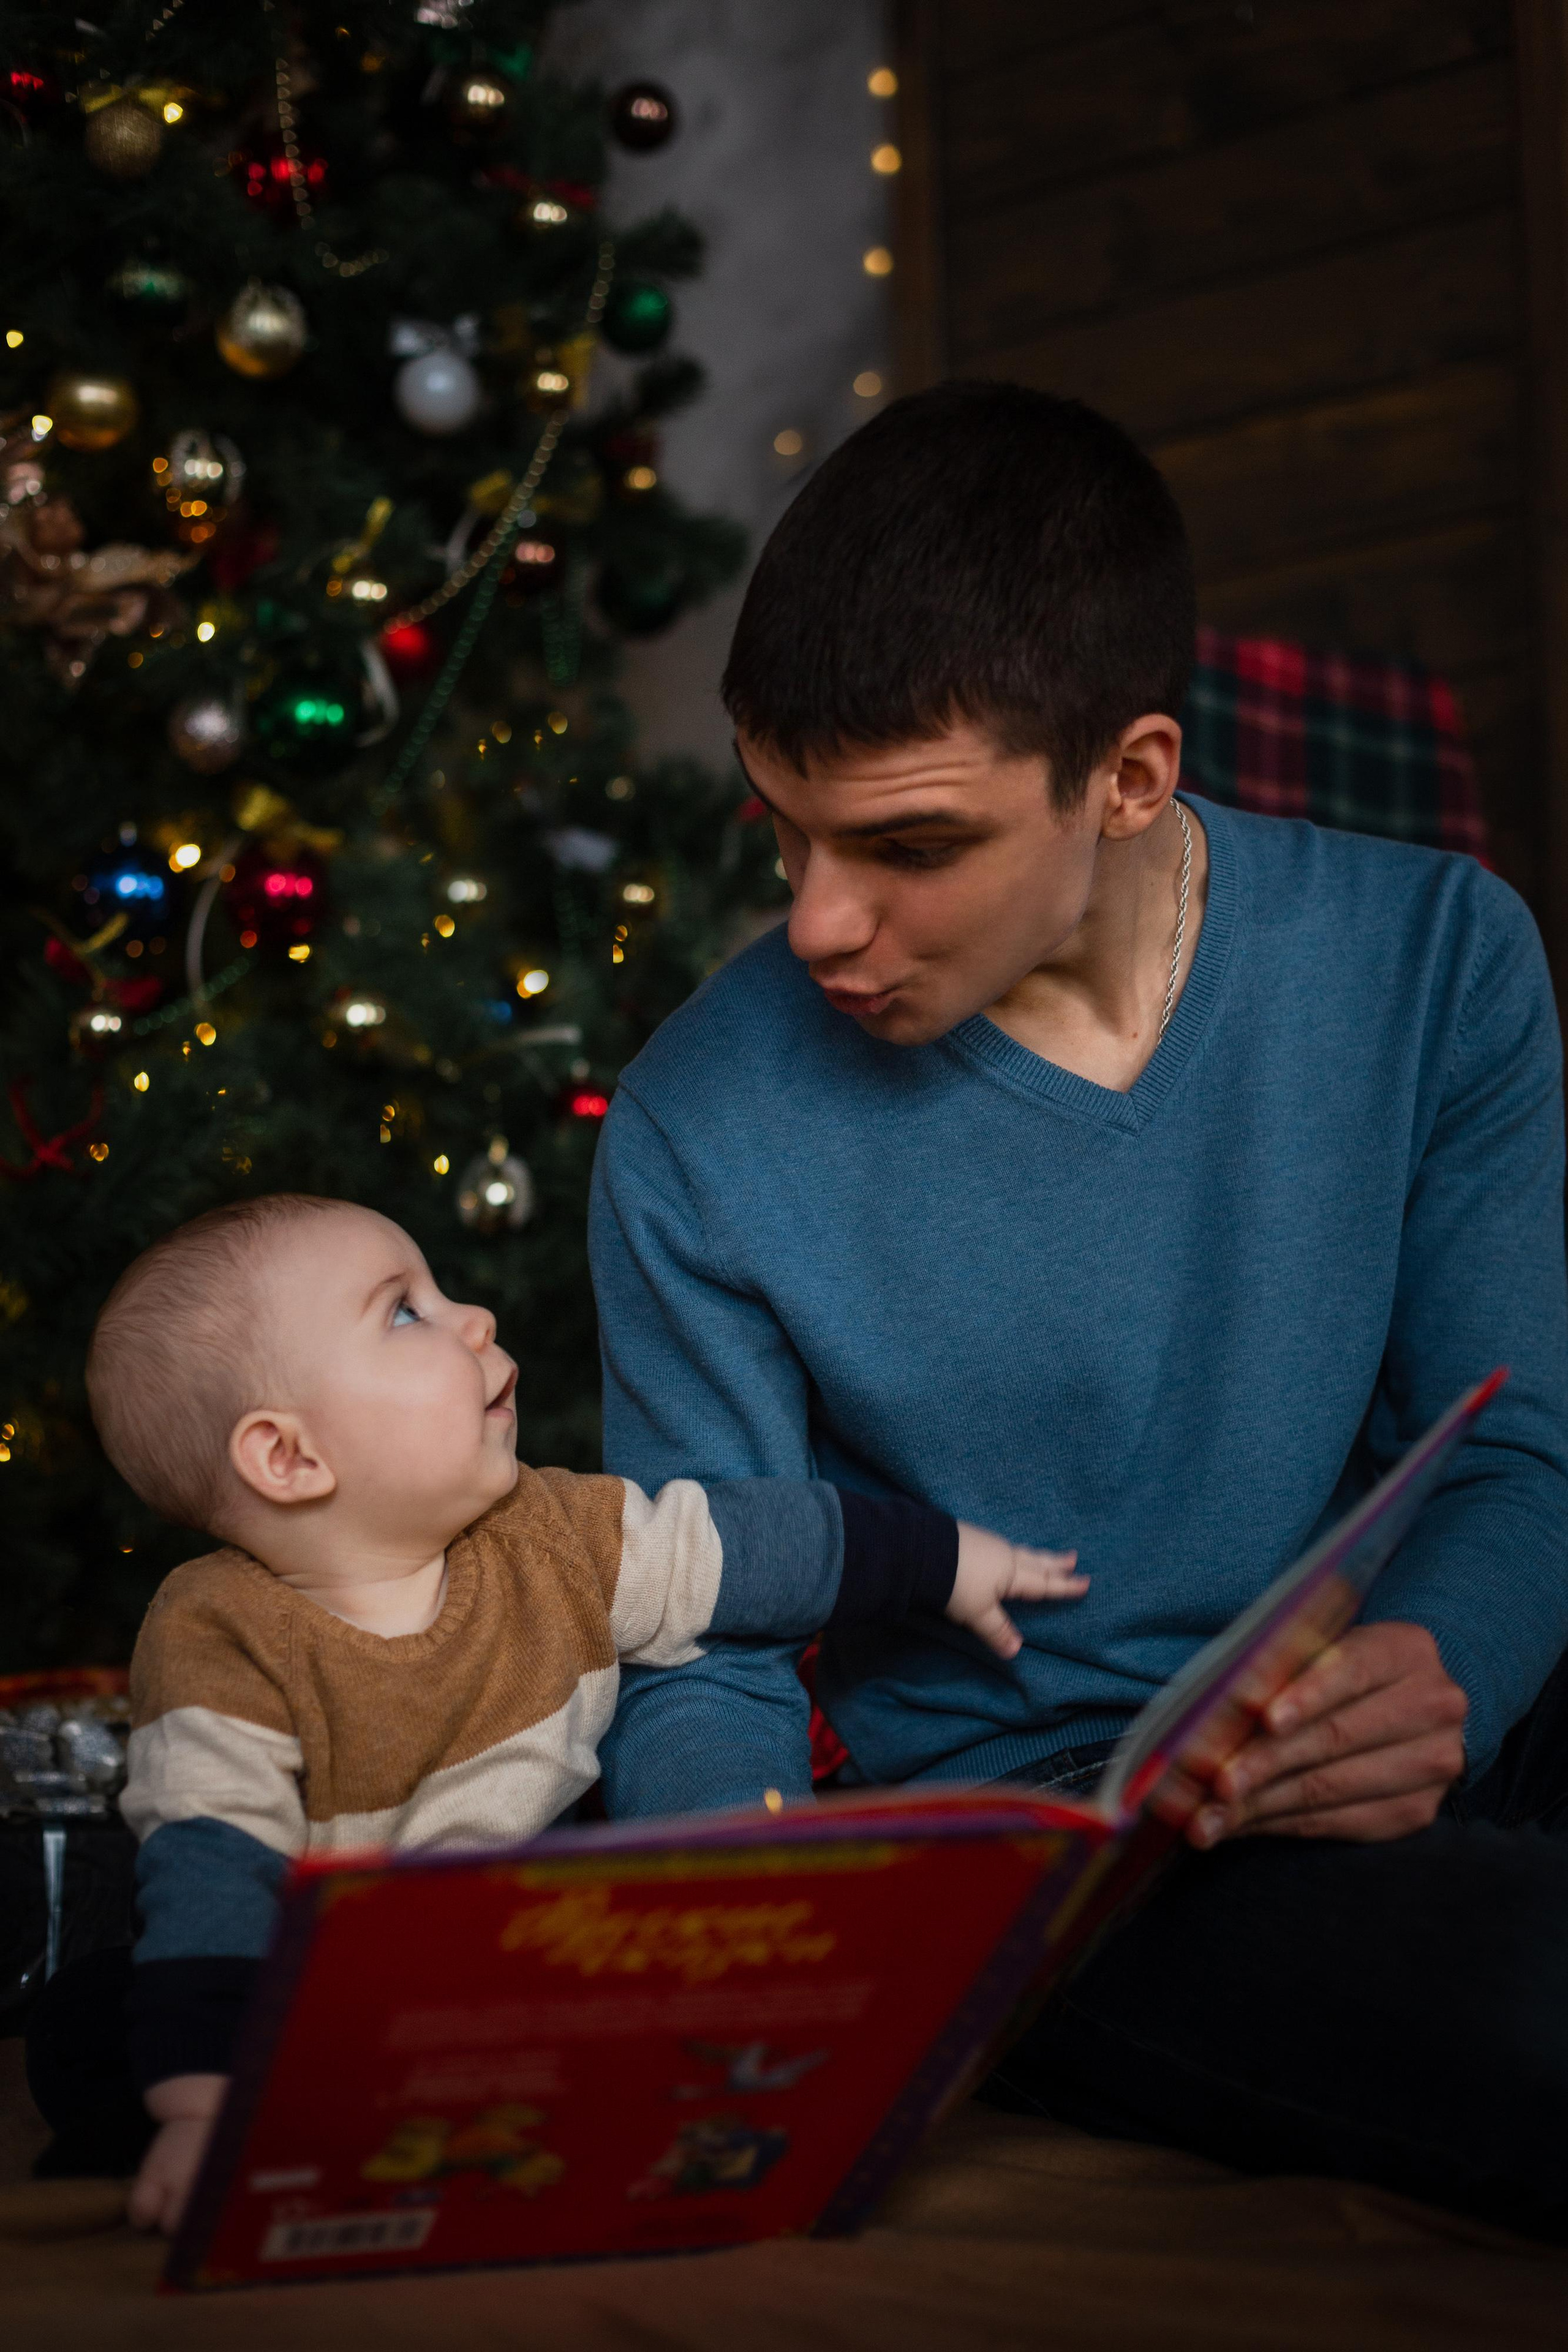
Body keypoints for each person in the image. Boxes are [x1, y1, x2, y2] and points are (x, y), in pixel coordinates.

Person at [588, 381, 1568, 2235]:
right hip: (1069, 1842)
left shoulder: (1441, 958)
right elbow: (699, 1634)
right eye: (785, 830)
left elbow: (1522, 1447)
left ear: (1128, 779)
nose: (816, 922)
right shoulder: (694, 1130)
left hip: (1392, 1679)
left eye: (910, 847)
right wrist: (748, 1939)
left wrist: (1452, 1664)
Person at [36, 1191, 1082, 2231]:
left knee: (634, 2017)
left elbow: (748, 1548)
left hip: (514, 1976)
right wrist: (204, 2105)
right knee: (97, 2021)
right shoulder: (223, 1635)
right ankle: (233, 2119)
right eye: (406, 1311)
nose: (474, 1317)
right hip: (309, 1986)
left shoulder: (550, 1535)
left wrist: (944, 1561)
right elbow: (218, 1862)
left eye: (442, 1291)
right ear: (290, 1458)